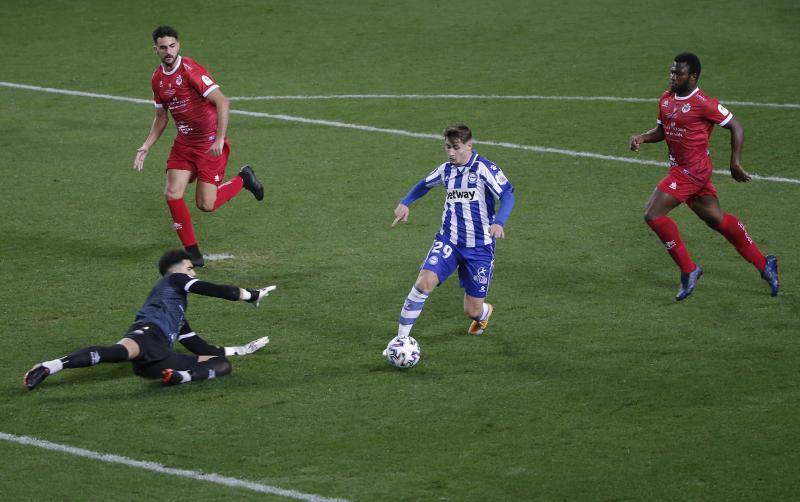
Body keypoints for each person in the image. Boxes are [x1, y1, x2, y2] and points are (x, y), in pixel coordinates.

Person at [629, 52, 779, 300]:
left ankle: (689, 270)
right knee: (717, 220)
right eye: (672, 71)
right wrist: (642, 137)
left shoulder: (704, 103)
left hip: (692, 171)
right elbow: (662, 131)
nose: (673, 76)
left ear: (693, 76)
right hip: (683, 170)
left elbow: (736, 126)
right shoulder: (666, 99)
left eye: (679, 73)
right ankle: (765, 264)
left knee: (652, 214)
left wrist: (735, 162)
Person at [23, 249, 277, 390]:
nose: (192, 273)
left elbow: (201, 348)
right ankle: (50, 366)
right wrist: (250, 295)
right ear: (175, 270)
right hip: (146, 334)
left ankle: (180, 377)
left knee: (222, 365)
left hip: (157, 362)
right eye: (190, 268)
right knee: (117, 352)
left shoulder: (177, 316)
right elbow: (215, 289)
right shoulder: (173, 280)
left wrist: (241, 350)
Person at [133, 26, 264, 268]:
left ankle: (243, 179)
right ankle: (193, 253)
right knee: (172, 194)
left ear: (178, 45)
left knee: (206, 204)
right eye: (163, 47)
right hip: (184, 145)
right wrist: (146, 145)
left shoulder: (190, 70)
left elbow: (223, 102)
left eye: (172, 46)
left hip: (208, 147)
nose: (168, 51)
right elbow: (161, 117)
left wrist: (218, 139)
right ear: (156, 50)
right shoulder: (157, 79)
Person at [390, 124, 515, 340]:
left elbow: (507, 195)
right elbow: (424, 184)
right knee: (423, 283)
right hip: (449, 240)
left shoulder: (483, 168)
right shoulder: (445, 170)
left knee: (472, 311)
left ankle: (485, 312)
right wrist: (405, 203)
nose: (450, 153)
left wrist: (500, 222)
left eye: (455, 147)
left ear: (469, 145)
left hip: (479, 247)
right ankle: (401, 340)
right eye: (447, 147)